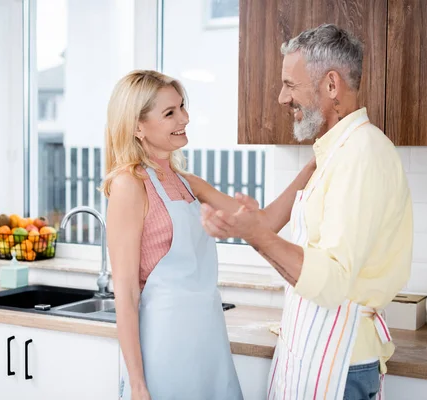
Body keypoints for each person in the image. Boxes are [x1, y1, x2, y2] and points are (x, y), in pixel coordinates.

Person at [201, 24, 413, 400]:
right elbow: (268, 225)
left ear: (331, 86)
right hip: (316, 350)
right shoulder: (330, 154)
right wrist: (247, 225)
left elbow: (332, 282)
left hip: (341, 361)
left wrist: (258, 236)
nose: (283, 98)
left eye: (290, 85)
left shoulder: (361, 155)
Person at [102, 70, 316, 400]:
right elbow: (126, 293)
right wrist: (138, 385)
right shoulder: (128, 185)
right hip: (164, 351)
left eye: (182, 107)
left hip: (208, 341)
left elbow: (264, 223)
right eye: (170, 112)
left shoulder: (187, 182)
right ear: (137, 127)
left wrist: (313, 166)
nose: (184, 118)